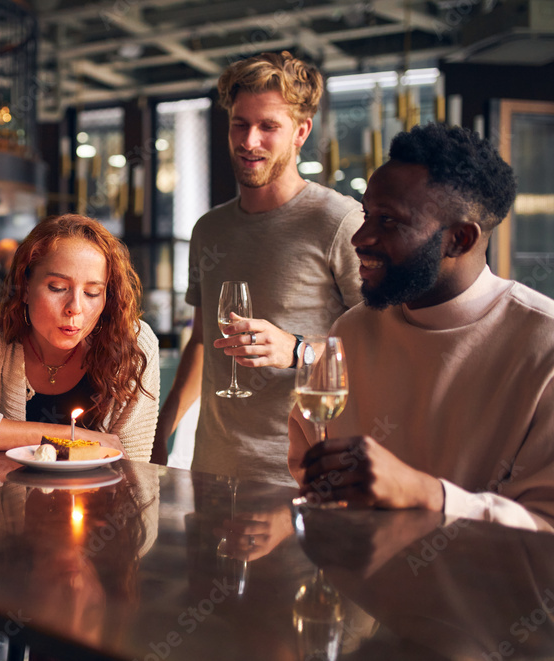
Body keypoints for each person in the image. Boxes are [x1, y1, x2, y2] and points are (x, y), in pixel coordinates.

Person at [290, 123, 554, 533]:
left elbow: (546, 528)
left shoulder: (544, 344)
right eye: (366, 215)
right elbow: (308, 458)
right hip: (361, 589)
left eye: (389, 221)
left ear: (459, 240)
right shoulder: (354, 329)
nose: (360, 237)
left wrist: (427, 494)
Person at [153, 51, 363, 485]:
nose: (249, 141)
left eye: (269, 126)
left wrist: (298, 350)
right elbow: (201, 341)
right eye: (240, 123)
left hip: (299, 473)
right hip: (211, 468)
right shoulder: (209, 229)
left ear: (300, 131)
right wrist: (162, 430)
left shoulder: (340, 221)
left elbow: (382, 342)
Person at [0, 214, 160, 460]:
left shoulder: (134, 343)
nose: (75, 307)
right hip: (7, 496)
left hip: (100, 498)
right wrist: (77, 438)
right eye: (57, 288)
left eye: (92, 293)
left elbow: (134, 469)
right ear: (25, 287)